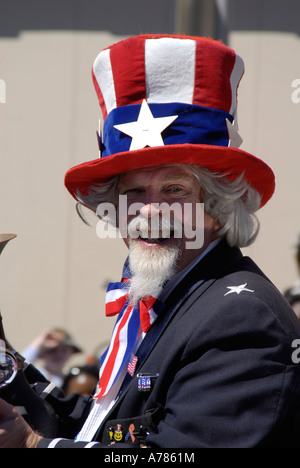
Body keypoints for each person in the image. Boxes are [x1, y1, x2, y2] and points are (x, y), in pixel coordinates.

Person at [1, 34, 300, 448]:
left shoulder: (242, 319)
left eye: (175, 190)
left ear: (218, 205)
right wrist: (11, 374)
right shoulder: (171, 297)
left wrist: (32, 446)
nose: (149, 212)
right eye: (134, 193)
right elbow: (109, 430)